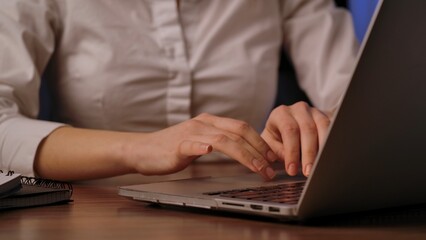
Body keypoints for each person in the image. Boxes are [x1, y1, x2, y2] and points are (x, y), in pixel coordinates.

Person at [0, 0, 358, 181]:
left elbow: (370, 104)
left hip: (248, 206)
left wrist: (317, 125)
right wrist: (138, 148)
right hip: (98, 210)